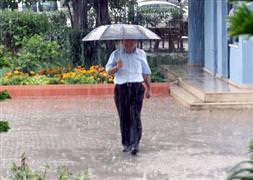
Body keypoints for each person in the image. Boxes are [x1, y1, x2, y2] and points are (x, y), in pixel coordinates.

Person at [105, 39, 151, 155]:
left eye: (131, 43)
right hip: (121, 88)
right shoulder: (116, 54)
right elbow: (108, 71)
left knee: (135, 116)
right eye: (126, 43)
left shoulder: (141, 54)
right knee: (124, 116)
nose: (128, 46)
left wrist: (148, 88)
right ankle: (126, 143)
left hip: (137, 88)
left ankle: (135, 144)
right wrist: (117, 67)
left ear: (135, 42)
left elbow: (146, 72)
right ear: (122, 43)